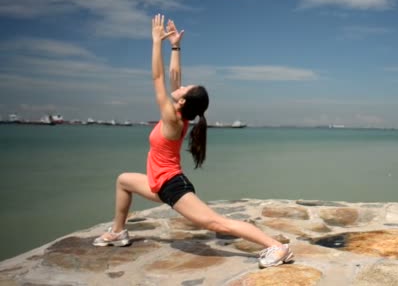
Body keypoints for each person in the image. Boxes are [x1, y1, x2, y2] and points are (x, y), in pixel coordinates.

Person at [93, 14, 294, 268]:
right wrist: (175, 46)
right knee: (123, 180)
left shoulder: (172, 119)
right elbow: (174, 75)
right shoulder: (179, 113)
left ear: (183, 100)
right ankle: (118, 231)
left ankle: (276, 246)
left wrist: (156, 42)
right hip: (158, 185)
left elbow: (158, 78)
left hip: (172, 188)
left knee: (216, 222)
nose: (180, 84)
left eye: (185, 87)